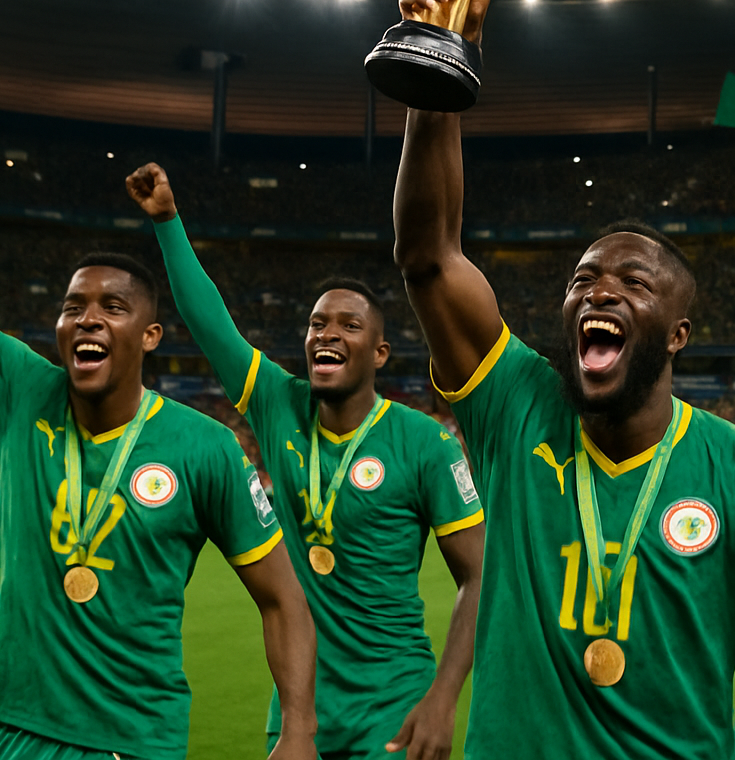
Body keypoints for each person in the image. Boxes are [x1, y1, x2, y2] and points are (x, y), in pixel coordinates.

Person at [392, 0, 735, 760]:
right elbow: (427, 256)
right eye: (582, 279)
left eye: (632, 281)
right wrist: (443, 57)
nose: (598, 291)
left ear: (678, 333)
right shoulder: (514, 405)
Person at [0, 27, 318, 760]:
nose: (86, 318)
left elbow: (283, 599)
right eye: (73, 306)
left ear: (149, 336)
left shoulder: (206, 448)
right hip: (17, 736)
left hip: (132, 744)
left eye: (113, 308)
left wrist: (298, 734)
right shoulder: (19, 389)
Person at [126, 163, 485, 760]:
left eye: (349, 326)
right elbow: (210, 323)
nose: (328, 334)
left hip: (396, 707)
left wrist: (444, 698)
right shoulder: (279, 404)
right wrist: (167, 222)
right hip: (299, 711)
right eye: (318, 323)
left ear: (379, 351)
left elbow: (480, 573)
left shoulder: (424, 443)